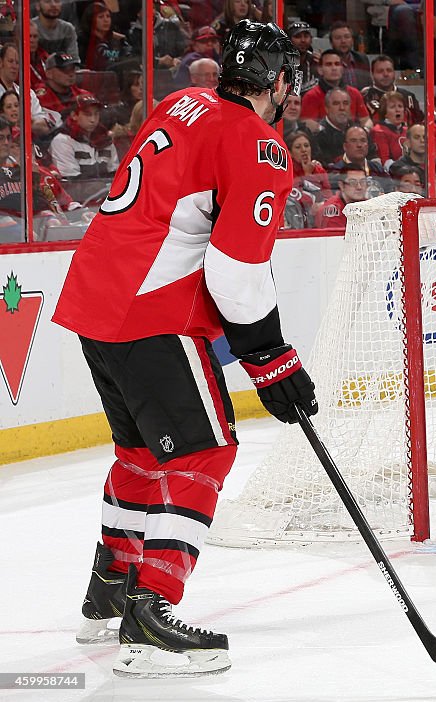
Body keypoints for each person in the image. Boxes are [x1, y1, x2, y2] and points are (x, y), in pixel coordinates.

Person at [51, 20, 316, 678]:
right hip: (153, 308)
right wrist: (273, 360)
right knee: (207, 450)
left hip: (95, 298)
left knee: (140, 455)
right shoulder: (260, 145)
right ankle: (151, 614)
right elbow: (235, 274)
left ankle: (110, 587)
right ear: (280, 83)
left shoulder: (181, 103)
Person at [48, 91, 119, 182]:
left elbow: (115, 173)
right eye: (87, 114)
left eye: (96, 114)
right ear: (74, 115)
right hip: (78, 194)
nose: (93, 120)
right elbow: (71, 182)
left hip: (107, 193)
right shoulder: (62, 141)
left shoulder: (105, 139)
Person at [361, 55, 425, 125]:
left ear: (394, 73)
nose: (385, 74)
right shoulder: (365, 97)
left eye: (389, 70)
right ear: (372, 74)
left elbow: (420, 123)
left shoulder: (409, 97)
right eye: (380, 71)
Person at [316, 162, 370, 227]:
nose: (359, 187)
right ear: (341, 185)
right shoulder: (333, 211)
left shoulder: (367, 203)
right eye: (353, 182)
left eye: (363, 182)